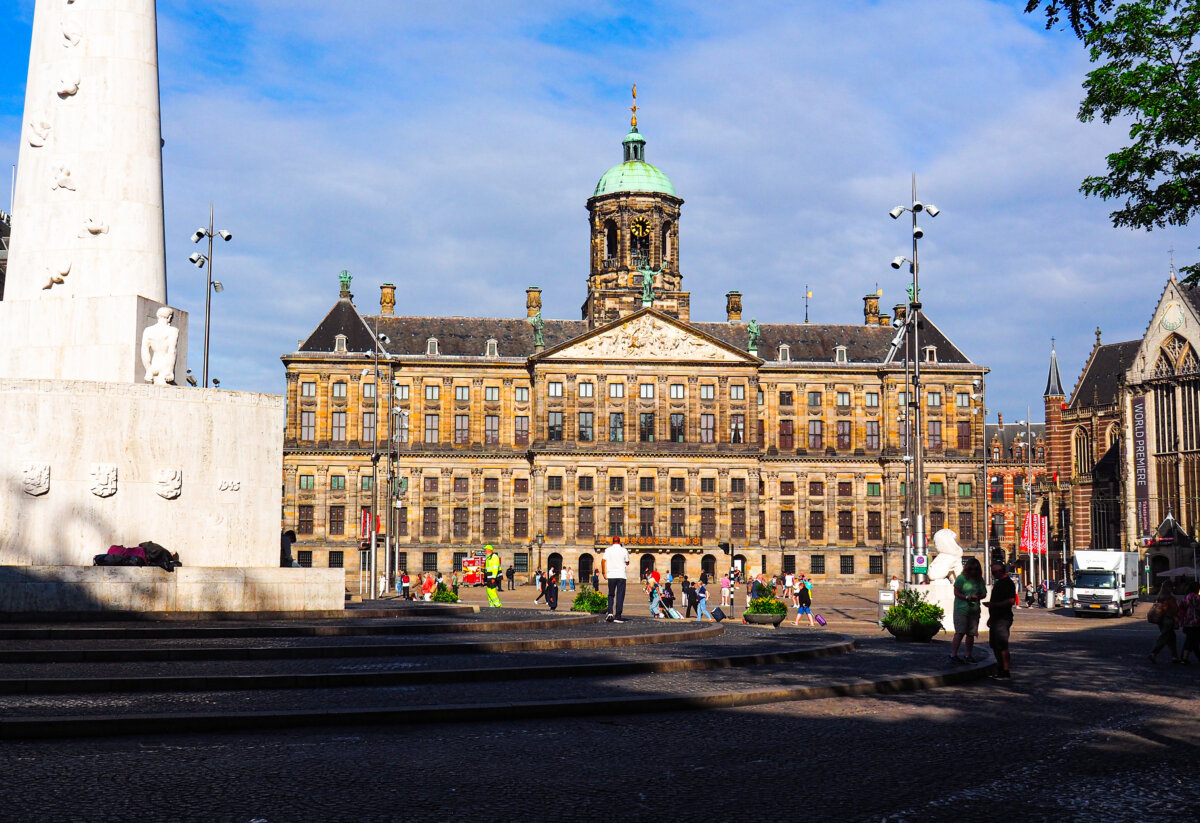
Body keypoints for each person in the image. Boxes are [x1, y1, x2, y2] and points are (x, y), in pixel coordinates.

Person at [984, 562, 1017, 679]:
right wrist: (991, 617)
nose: (993, 574)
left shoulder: (1007, 583)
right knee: (994, 644)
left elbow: (1011, 600)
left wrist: (994, 604)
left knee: (1002, 645)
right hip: (996, 618)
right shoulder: (999, 583)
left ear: (1000, 571)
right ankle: (1000, 667)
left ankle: (1006, 669)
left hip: (1003, 618)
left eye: (994, 572)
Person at [950, 558, 986, 663]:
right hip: (961, 609)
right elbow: (956, 592)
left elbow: (984, 593)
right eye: (971, 569)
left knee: (971, 634)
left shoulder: (979, 579)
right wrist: (967, 597)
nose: (973, 571)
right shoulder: (961, 578)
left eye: (975, 569)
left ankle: (968, 655)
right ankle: (953, 654)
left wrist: (978, 596)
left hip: (974, 609)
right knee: (960, 632)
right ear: (967, 569)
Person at [1148, 580, 1181, 664]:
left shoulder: (1159, 597)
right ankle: (1154, 653)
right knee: (1165, 637)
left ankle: (1175, 656)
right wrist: (1176, 616)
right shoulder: (1170, 598)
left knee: (1171, 637)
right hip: (1168, 619)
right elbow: (1173, 609)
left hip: (1160, 619)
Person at [601, 537, 630, 623]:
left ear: (612, 542)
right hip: (621, 575)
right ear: (619, 542)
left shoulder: (608, 550)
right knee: (620, 595)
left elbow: (603, 561)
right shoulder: (624, 550)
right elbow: (627, 562)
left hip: (611, 575)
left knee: (611, 594)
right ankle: (618, 616)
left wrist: (604, 573)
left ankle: (610, 613)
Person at [1178, 581, 1200, 664]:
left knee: (1192, 640)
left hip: (1187, 621)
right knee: (1191, 640)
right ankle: (1184, 658)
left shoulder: (1186, 597)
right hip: (1196, 622)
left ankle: (1184, 657)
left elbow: (1181, 607)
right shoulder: (1197, 598)